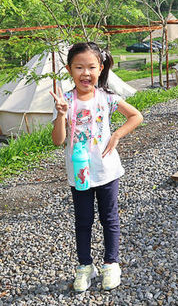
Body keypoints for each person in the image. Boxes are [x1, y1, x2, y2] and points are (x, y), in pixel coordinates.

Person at [50, 42, 143, 293]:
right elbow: (58, 140)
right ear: (70, 70)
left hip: (107, 170)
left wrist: (117, 136)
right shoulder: (66, 101)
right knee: (83, 221)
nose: (85, 73)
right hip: (78, 173)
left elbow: (136, 116)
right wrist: (60, 115)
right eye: (79, 67)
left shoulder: (108, 98)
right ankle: (84, 267)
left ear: (101, 69)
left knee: (109, 218)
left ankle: (111, 264)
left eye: (91, 67)